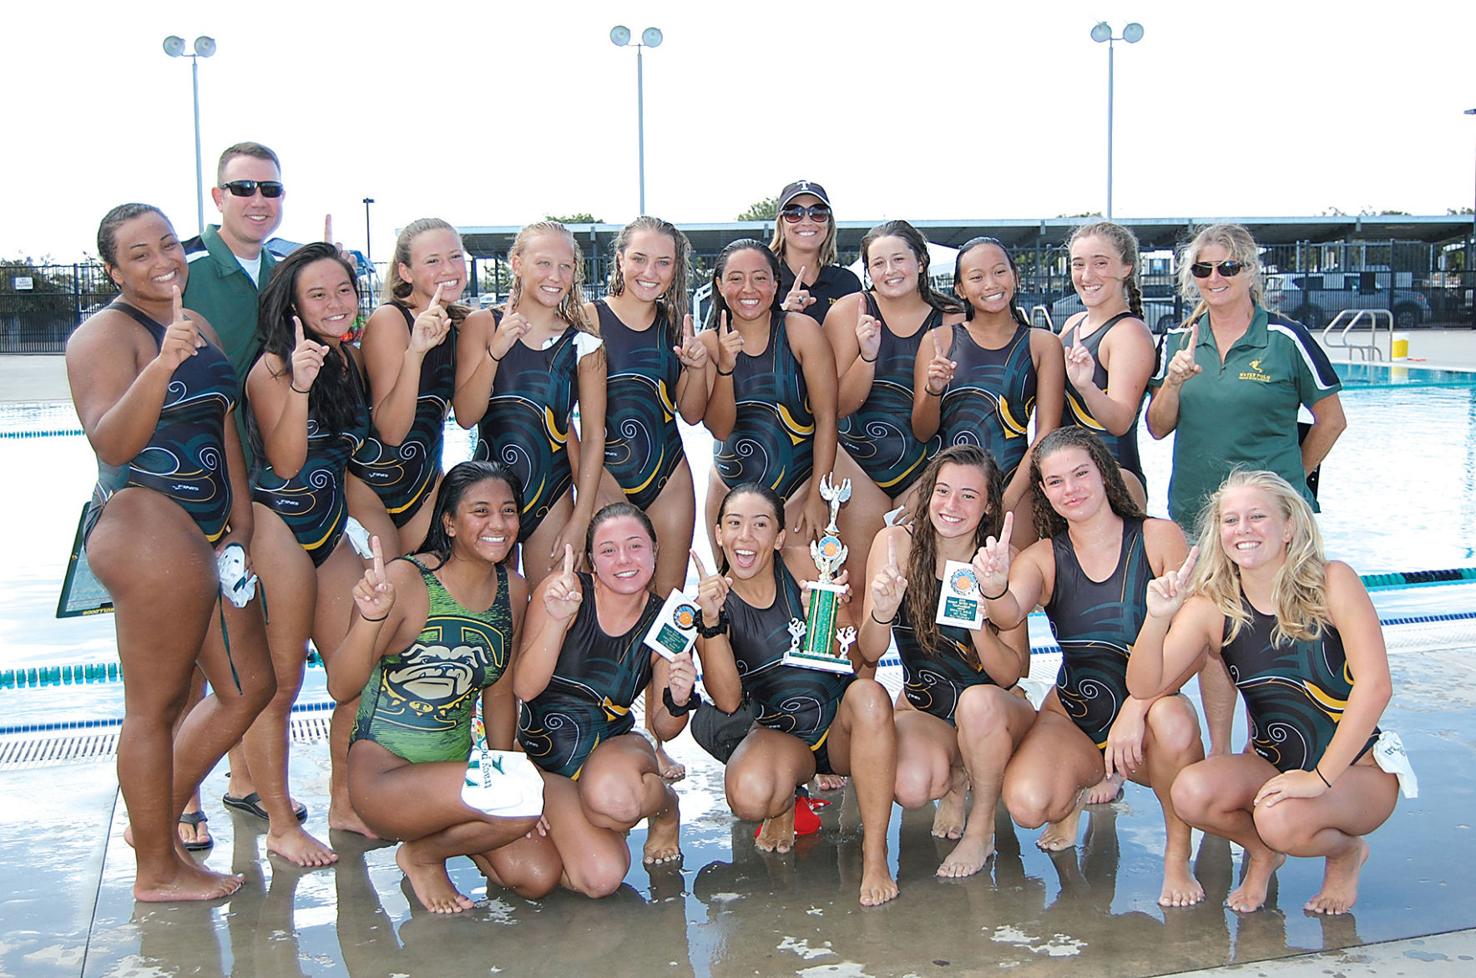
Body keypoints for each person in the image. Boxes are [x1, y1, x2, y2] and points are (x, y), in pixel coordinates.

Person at [67, 203, 273, 900]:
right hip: (146, 525)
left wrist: (241, 524)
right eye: (139, 254)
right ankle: (155, 869)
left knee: (250, 687)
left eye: (167, 245)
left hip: (213, 530)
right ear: (113, 269)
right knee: (153, 708)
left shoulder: (197, 324)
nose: (162, 262)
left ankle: (151, 825)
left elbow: (220, 424)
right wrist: (160, 366)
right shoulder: (102, 336)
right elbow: (111, 441)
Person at [1126, 470, 1400, 915]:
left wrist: (1319, 779)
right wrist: (1158, 619)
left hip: (1357, 771)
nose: (1243, 530)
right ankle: (1264, 852)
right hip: (1272, 766)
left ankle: (1345, 853)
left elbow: (1376, 686)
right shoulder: (1214, 607)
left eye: (1257, 516)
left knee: (1280, 819)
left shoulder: (1333, 583)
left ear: (1289, 525)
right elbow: (1143, 685)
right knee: (1190, 792)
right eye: (1230, 520)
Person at [979, 427, 1207, 908]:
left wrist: (1139, 706)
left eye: (1080, 473)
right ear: (1043, 491)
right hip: (1075, 715)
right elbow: (1008, 613)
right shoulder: (1044, 556)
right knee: (1026, 804)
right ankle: (1077, 792)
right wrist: (996, 586)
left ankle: (1177, 858)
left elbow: (1198, 644)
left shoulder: (1157, 538)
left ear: (1103, 474)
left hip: (1151, 715)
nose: (1071, 489)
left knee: (1175, 718)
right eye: (1056, 481)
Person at [334, 461, 556, 913]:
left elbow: (498, 689)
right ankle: (420, 855)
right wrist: (370, 621)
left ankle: (447, 831)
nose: (499, 524)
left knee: (538, 877)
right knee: (518, 802)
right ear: (450, 522)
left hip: (454, 775)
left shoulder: (513, 589)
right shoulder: (407, 580)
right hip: (385, 777)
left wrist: (508, 776)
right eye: (481, 511)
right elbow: (341, 686)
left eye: (508, 511)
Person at [691, 483, 900, 906]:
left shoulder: (809, 567)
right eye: (734, 524)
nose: (745, 537)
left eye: (760, 525)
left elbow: (859, 658)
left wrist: (827, 616)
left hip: (837, 727)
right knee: (750, 794)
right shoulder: (715, 603)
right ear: (718, 533)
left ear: (780, 537)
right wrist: (710, 625)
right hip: (782, 738)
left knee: (873, 696)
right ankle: (786, 799)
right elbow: (729, 701)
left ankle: (875, 857)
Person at [241, 241, 377, 855]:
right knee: (280, 683)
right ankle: (279, 824)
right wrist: (298, 384)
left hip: (331, 531)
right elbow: (287, 460)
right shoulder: (272, 368)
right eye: (317, 294)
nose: (335, 303)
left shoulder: (347, 361)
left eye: (343, 291)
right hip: (276, 528)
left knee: (353, 673)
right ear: (291, 305)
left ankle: (344, 802)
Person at [858, 445, 1035, 878]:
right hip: (926, 706)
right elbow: (870, 650)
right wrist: (882, 612)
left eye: (968, 496)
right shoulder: (895, 545)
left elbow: (1013, 671)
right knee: (912, 785)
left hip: (994, 708)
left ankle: (980, 830)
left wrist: (979, 614)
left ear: (989, 504)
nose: (951, 506)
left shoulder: (998, 560)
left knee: (977, 704)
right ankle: (958, 774)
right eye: (942, 491)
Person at [515, 504, 694, 896]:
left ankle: (665, 809)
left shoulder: (670, 619)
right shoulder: (564, 591)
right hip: (544, 762)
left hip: (612, 749)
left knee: (613, 797)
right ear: (592, 560)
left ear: (654, 550)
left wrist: (679, 698)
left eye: (635, 546)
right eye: (608, 550)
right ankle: (573, 819)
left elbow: (666, 725)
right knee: (599, 878)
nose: (624, 560)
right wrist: (558, 622)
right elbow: (525, 689)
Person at [585, 216, 707, 782]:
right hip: (604, 478)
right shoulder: (588, 318)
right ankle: (596, 726)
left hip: (667, 477)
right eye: (640, 259)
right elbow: (570, 412)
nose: (650, 272)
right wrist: (598, 489)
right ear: (619, 260)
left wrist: (697, 366)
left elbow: (691, 411)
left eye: (663, 262)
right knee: (600, 606)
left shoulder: (675, 325)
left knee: (667, 609)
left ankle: (657, 735)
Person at [1147, 223, 1347, 531]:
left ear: (1250, 271)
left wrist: (1287, 483)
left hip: (1271, 519)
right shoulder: (1177, 340)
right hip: (1196, 516)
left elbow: (1332, 421)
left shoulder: (1286, 339)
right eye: (1203, 269)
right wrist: (1173, 383)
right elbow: (1157, 429)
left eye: (1228, 267)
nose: (1215, 278)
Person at [454, 221, 607, 586]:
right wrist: (495, 352)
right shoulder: (482, 325)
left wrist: (580, 520)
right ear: (517, 263)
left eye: (565, 266)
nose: (555, 275)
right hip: (488, 491)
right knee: (497, 614)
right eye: (543, 263)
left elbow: (594, 437)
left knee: (554, 610)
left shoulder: (583, 344)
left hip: (551, 497)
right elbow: (465, 416)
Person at [826, 221, 966, 591]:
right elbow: (835, 406)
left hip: (926, 466)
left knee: (924, 589)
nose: (890, 271)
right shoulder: (847, 312)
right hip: (856, 464)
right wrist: (867, 356)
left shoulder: (954, 318)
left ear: (921, 262)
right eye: (878, 263)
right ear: (868, 271)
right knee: (855, 588)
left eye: (899, 259)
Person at [913, 237, 1063, 549]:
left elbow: (1046, 432)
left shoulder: (1042, 344)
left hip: (1014, 482)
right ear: (960, 288)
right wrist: (933, 389)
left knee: (1011, 584)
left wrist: (1007, 499)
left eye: (999, 272)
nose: (991, 284)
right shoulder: (938, 341)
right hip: (950, 489)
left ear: (1015, 277)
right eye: (977, 277)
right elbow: (923, 432)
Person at [698, 240, 838, 551]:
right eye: (735, 278)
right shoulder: (707, 343)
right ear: (719, 286)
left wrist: (818, 494)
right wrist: (724, 367)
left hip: (798, 489)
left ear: (775, 285)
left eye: (760, 278)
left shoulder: (801, 331)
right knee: (732, 596)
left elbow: (827, 417)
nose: (748, 288)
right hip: (729, 493)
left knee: (803, 594)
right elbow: (720, 429)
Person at [353, 218, 470, 555]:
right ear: (405, 272)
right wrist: (416, 352)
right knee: (388, 590)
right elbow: (391, 430)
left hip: (425, 485)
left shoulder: (458, 325)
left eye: (455, 257)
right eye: (432, 261)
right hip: (371, 487)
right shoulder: (391, 320)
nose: (448, 269)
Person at [1059, 222, 1156, 508]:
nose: (1087, 275)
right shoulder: (1073, 324)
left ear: (1126, 268)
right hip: (1069, 480)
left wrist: (1087, 387)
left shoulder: (1128, 333)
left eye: (1100, 263)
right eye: (1078, 264)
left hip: (1113, 481)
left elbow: (1120, 420)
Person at [182, 141, 284, 383]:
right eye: (243, 188)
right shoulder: (181, 268)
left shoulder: (288, 271)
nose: (258, 201)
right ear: (219, 198)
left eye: (270, 189)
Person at [769, 179, 862, 326]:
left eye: (817, 212)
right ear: (781, 223)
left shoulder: (847, 283)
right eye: (794, 213)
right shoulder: (765, 281)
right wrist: (780, 313)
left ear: (828, 223)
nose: (806, 221)